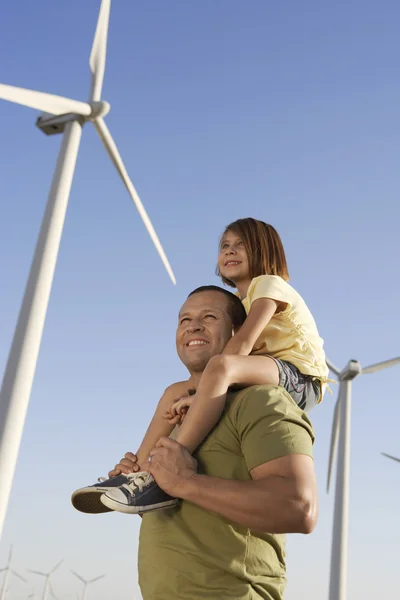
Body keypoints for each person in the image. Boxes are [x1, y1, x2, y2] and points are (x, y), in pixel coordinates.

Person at [71, 217, 328, 514]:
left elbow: (241, 344)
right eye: (225, 246)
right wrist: (195, 391)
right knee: (175, 391)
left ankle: (175, 458)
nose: (230, 252)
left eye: (241, 245)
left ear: (265, 250)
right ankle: (135, 473)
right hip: (265, 369)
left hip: (300, 377)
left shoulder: (269, 286)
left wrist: (207, 388)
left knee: (220, 367)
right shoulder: (239, 300)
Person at [109, 286, 318, 600]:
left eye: (209, 317)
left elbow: (299, 507)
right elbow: (185, 512)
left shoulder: (261, 401)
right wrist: (142, 484)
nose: (193, 326)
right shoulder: (176, 413)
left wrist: (186, 482)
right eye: (184, 320)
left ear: (237, 332)